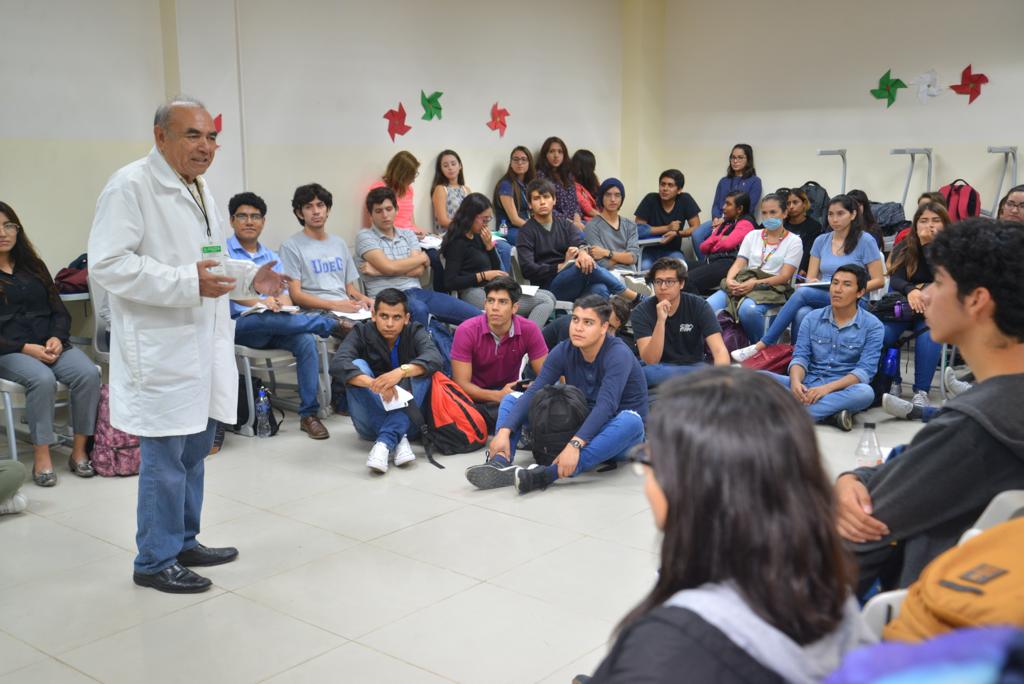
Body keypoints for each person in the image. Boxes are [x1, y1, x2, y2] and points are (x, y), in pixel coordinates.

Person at [89, 97, 289, 593]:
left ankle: (183, 539)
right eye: (192, 135)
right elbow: (108, 264)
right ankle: (153, 560)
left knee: (197, 446)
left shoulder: (199, 188)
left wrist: (251, 277)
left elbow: (210, 260)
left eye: (211, 136)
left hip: (204, 338)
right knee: (165, 453)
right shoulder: (130, 186)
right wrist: (184, 282)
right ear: (161, 137)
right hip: (162, 345)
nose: (205, 147)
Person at [584, 368, 873, 684]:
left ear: (698, 485)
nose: (645, 475)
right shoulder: (826, 585)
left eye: (649, 459)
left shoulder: (666, 651)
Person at [834, 219, 1024, 596]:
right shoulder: (991, 411)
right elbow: (910, 462)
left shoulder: (974, 426)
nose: (927, 295)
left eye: (937, 282)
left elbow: (864, 533)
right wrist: (853, 478)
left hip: (920, 613)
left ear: (976, 301)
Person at [465, 295, 647, 493]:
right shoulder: (564, 350)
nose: (578, 327)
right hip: (581, 421)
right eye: (575, 319)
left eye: (588, 323)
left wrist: (575, 445)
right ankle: (499, 462)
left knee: (632, 421)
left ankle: (546, 475)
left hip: (615, 433)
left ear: (604, 328)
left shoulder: (618, 353)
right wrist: (504, 431)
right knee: (512, 398)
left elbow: (607, 406)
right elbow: (535, 389)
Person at [227, 191, 350, 440]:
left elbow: (285, 295)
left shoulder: (271, 257)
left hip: (274, 324)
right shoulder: (224, 253)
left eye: (255, 216)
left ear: (263, 222)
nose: (249, 221)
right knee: (266, 317)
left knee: (304, 340)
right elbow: (230, 293)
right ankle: (328, 324)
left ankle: (308, 415)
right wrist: (262, 302)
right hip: (241, 326)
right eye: (243, 216)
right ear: (232, 221)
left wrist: (278, 303)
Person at [0, 202, 100, 487]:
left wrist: (57, 337)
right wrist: (24, 348)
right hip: (9, 350)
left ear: (17, 229)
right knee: (41, 379)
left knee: (88, 374)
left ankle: (79, 452)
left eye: (9, 225)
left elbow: (59, 311)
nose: (3, 232)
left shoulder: (34, 266)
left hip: (49, 344)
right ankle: (42, 455)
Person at [732, 194, 885, 360]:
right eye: (830, 214)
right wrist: (813, 281)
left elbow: (879, 280)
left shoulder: (865, 240)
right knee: (801, 313)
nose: (834, 219)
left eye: (840, 214)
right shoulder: (821, 241)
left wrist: (853, 290)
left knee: (802, 295)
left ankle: (763, 345)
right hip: (826, 293)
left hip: (854, 298)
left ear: (853, 215)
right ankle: (797, 360)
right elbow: (811, 278)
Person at [330, 288, 443, 473]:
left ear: (406, 318)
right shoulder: (362, 331)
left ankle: (386, 441)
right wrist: (374, 384)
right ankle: (398, 438)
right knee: (357, 366)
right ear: (373, 315)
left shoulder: (414, 331)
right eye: (384, 316)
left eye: (396, 317)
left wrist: (400, 372)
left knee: (422, 370)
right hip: (369, 423)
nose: (389, 323)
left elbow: (435, 358)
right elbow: (338, 363)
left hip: (412, 423)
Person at [766, 265, 882, 431]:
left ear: (860, 292)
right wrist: (796, 383)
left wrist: (826, 389)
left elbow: (864, 371)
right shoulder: (811, 318)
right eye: (834, 283)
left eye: (846, 285)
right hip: (808, 382)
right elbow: (800, 357)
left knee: (865, 393)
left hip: (840, 389)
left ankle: (788, 413)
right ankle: (830, 415)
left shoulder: (873, 326)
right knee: (756, 377)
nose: (838, 289)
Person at [356, 186, 480, 327]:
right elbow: (390, 267)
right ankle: (425, 347)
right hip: (388, 298)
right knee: (420, 311)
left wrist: (378, 270)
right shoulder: (365, 236)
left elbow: (419, 271)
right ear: (371, 215)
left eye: (388, 209)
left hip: (417, 292)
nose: (384, 215)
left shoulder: (408, 234)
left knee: (477, 316)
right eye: (378, 211)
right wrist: (421, 258)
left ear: (396, 210)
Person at [516, 179, 640, 305]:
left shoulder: (565, 225)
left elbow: (581, 242)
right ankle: (633, 296)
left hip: (573, 282)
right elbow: (528, 269)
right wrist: (560, 267)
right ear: (530, 204)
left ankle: (589, 322)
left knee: (600, 288)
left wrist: (582, 253)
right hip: (548, 289)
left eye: (546, 197)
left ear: (554, 200)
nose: (542, 202)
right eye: (537, 198)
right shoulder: (526, 232)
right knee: (580, 266)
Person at [879, 202, 950, 418]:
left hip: (933, 310)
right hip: (904, 307)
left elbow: (946, 279)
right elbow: (897, 279)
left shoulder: (951, 249)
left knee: (930, 335)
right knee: (882, 333)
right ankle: (893, 382)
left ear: (945, 223)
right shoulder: (905, 246)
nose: (929, 225)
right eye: (924, 220)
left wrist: (930, 246)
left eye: (935, 220)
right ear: (916, 223)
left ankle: (921, 391)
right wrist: (912, 290)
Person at [441, 193, 555, 325]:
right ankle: (527, 339)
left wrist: (490, 247)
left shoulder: (478, 236)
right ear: (470, 217)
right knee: (544, 302)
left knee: (549, 295)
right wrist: (483, 275)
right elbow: (450, 282)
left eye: (488, 220)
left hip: (491, 287)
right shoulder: (458, 243)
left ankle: (522, 332)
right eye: (483, 220)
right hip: (472, 293)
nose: (485, 225)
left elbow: (496, 269)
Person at [450, 277, 548, 425]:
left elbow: (547, 375)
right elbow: (461, 384)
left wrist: (533, 388)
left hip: (509, 395)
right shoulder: (466, 330)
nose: (495, 307)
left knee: (543, 404)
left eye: (502, 302)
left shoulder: (529, 329)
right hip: (474, 399)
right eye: (490, 301)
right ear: (485, 304)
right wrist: (497, 396)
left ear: (514, 308)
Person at [707, 193, 803, 342]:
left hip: (772, 287)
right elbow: (739, 263)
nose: (768, 217)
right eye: (764, 213)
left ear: (784, 213)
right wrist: (731, 279)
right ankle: (720, 350)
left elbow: (785, 277)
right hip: (743, 281)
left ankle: (761, 347)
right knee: (708, 306)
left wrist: (754, 284)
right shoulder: (753, 235)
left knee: (748, 310)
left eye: (773, 212)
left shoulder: (794, 241)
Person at [632, 258, 729, 388]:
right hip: (660, 368)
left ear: (681, 283)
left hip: (693, 365)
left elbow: (719, 350)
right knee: (647, 374)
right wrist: (661, 321)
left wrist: (722, 380)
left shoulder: (698, 305)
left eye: (670, 282)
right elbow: (651, 360)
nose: (663, 287)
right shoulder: (641, 311)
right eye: (658, 282)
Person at [279, 183, 373, 314]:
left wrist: (364, 299)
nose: (316, 211)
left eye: (320, 205)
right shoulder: (290, 246)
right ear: (300, 214)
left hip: (346, 309)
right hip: (317, 313)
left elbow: (349, 290)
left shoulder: (339, 243)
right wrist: (334, 305)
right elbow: (296, 295)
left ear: (327, 209)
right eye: (309, 207)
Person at [691, 144, 763, 254]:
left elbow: (750, 206)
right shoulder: (723, 181)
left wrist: (724, 220)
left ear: (748, 160)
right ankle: (705, 262)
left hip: (739, 221)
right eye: (733, 157)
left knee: (725, 242)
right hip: (718, 220)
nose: (735, 161)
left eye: (740, 157)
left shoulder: (755, 181)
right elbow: (716, 204)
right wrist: (716, 218)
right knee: (697, 234)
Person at [684, 191, 756, 295]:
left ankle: (699, 309)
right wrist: (720, 238)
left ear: (739, 209)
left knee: (687, 281)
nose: (723, 207)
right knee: (674, 267)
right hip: (712, 260)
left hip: (729, 264)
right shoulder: (725, 223)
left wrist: (713, 243)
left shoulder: (746, 223)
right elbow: (703, 247)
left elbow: (728, 244)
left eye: (728, 204)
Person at [633, 169, 702, 269]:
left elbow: (696, 227)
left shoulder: (685, 199)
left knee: (680, 268)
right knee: (645, 267)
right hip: (647, 250)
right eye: (662, 184)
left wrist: (678, 233)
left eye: (670, 185)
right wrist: (668, 228)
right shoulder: (650, 199)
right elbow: (637, 229)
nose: (665, 188)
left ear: (679, 190)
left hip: (672, 251)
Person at [542, 294, 636, 354]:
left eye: (611, 327)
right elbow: (562, 362)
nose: (607, 330)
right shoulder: (574, 327)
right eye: (606, 324)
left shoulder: (618, 337)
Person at [584, 178, 641, 272]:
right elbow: (601, 264)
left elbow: (633, 258)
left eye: (617, 195)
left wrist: (606, 253)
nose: (613, 199)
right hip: (606, 275)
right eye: (608, 195)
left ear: (622, 198)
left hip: (630, 274)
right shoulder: (592, 226)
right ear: (601, 197)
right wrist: (624, 256)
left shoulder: (630, 225)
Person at [365, 150, 422, 236]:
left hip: (411, 236)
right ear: (401, 175)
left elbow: (411, 222)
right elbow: (375, 224)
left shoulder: (409, 190)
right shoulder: (379, 190)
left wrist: (418, 232)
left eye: (415, 174)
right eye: (411, 176)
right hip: (392, 238)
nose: (413, 180)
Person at [535, 136, 583, 230]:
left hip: (574, 221)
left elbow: (575, 203)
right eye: (552, 151)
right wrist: (571, 224)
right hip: (554, 223)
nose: (556, 155)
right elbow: (545, 207)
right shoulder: (540, 176)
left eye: (560, 152)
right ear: (545, 154)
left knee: (595, 230)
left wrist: (577, 221)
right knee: (582, 236)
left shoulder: (568, 174)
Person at [492, 146, 535, 245]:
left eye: (524, 159)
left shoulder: (527, 184)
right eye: (516, 159)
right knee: (538, 239)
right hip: (509, 230)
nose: (520, 163)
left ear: (529, 163)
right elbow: (514, 220)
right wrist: (535, 227)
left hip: (524, 226)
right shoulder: (506, 185)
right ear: (510, 163)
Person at [784, 187, 823, 275]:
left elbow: (809, 251)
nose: (791, 206)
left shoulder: (814, 226)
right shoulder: (782, 224)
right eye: (788, 203)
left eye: (795, 202)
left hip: (801, 271)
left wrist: (804, 269)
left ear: (804, 203)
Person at [430, 149, 470, 234]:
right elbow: (443, 221)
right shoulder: (440, 189)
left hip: (468, 233)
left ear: (460, 166)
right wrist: (466, 227)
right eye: (445, 165)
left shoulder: (466, 189)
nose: (450, 168)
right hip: (449, 236)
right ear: (441, 169)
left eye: (453, 164)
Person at [571, 149, 600, 224]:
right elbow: (587, 208)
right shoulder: (572, 183)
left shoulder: (593, 178)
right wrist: (605, 218)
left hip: (598, 216)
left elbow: (601, 195)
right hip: (585, 220)